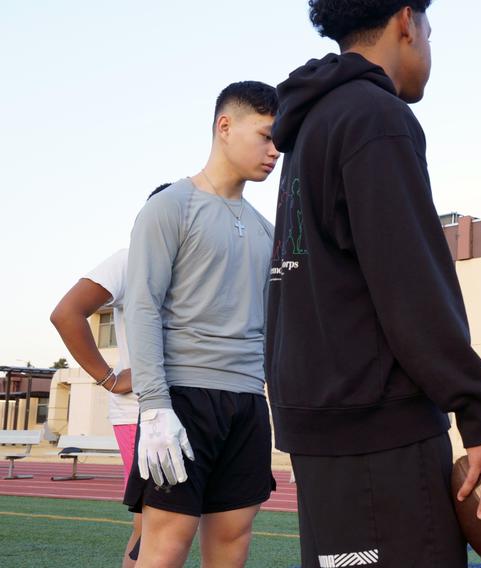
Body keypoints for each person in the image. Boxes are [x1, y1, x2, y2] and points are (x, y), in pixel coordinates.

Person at [266, 1, 481, 566]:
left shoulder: (311, 123)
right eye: (431, 30)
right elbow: (411, 285)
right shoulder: (374, 116)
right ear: (407, 22)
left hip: (322, 426)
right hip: (379, 432)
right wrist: (480, 414)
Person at [123, 81, 279, 568]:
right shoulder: (171, 206)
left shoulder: (265, 229)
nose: (275, 152)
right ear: (225, 126)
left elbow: (271, 326)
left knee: (234, 538)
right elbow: (143, 305)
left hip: (249, 401)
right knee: (167, 544)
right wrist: (154, 406)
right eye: (267, 136)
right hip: (185, 398)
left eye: (281, 142)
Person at [49, 183, 167, 567]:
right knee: (151, 524)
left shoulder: (200, 268)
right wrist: (109, 378)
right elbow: (66, 314)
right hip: (139, 411)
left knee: (185, 521)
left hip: (191, 406)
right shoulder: (129, 259)